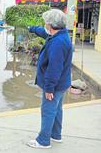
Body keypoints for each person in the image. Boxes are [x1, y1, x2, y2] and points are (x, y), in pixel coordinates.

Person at [27, 9, 73, 149]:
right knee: (57, 109)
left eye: (46, 23)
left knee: (48, 110)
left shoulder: (57, 43)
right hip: (62, 83)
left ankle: (43, 141)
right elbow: (43, 32)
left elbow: (54, 68)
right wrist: (32, 28)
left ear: (51, 25)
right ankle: (56, 135)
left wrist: (49, 88)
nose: (45, 25)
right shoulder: (60, 35)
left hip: (55, 85)